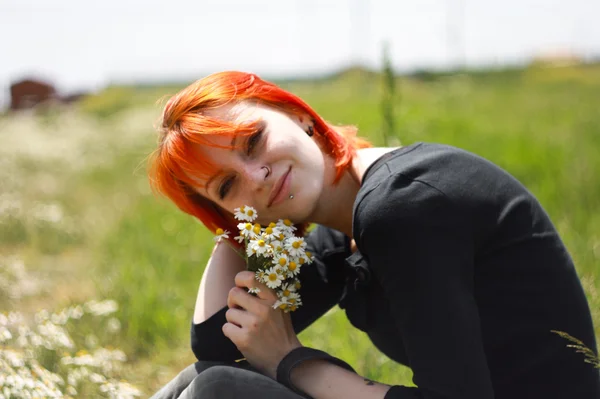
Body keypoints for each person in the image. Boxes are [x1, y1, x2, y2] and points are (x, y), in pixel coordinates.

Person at [147, 71, 599, 399]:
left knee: (219, 389)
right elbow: (218, 341)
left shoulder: (399, 205)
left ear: (297, 115)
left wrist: (291, 362)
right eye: (227, 186)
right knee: (206, 376)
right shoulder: (341, 234)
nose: (257, 175)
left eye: (253, 140)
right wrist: (236, 227)